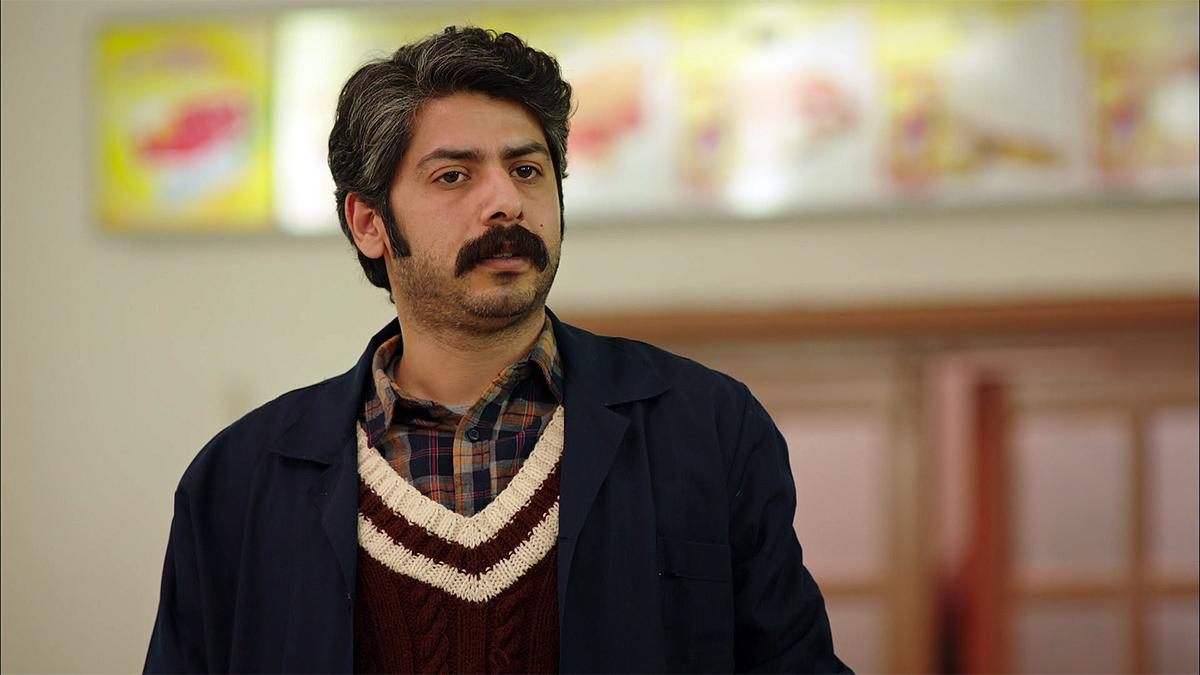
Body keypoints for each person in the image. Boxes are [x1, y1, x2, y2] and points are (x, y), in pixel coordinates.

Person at [145, 26, 849, 674]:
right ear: (369, 223)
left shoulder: (708, 427)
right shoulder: (238, 480)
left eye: (527, 170)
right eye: (454, 175)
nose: (505, 202)